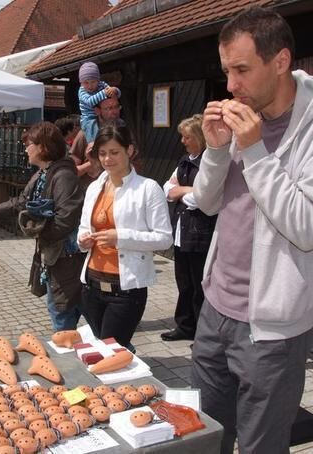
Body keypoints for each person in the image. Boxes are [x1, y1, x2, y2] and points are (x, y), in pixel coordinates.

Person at [191, 7, 313, 454]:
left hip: (273, 329)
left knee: (262, 446)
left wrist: (255, 150)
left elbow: (305, 227)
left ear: (280, 61)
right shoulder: (241, 117)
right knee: (206, 436)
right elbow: (204, 202)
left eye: (242, 70)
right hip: (215, 307)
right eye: (227, 71)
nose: (231, 86)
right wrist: (217, 150)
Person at [0, 122, 84, 332]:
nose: (26, 149)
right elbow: (21, 202)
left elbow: (66, 220)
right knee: (59, 307)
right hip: (55, 255)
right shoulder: (43, 174)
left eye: (29, 144)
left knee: (62, 312)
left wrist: (38, 232)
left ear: (43, 147)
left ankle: (72, 354)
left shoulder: (62, 175)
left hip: (66, 257)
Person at [78, 123, 172, 350]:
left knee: (111, 349)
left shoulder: (148, 188)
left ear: (129, 151)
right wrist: (83, 240)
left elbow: (164, 238)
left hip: (125, 288)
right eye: (102, 154)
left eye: (114, 152)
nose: (107, 159)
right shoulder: (94, 187)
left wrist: (121, 237)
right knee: (102, 348)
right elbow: (83, 227)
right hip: (91, 283)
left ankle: (126, 372)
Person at [160, 115, 216, 342]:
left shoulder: (209, 162)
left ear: (200, 137)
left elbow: (202, 200)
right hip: (182, 231)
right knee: (184, 283)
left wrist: (180, 191)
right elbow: (166, 188)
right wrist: (187, 191)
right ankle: (185, 326)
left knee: (200, 285)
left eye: (187, 137)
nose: (183, 141)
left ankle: (202, 333)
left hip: (200, 233)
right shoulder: (185, 160)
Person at [70, 97, 123, 189]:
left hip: (119, 190)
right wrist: (93, 162)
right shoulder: (85, 134)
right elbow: (71, 171)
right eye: (109, 108)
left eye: (116, 107)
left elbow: (136, 163)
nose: (114, 111)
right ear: (97, 111)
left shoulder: (124, 132)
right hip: (89, 192)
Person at [78, 61, 121, 143]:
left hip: (102, 115)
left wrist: (115, 90)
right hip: (89, 117)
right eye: (86, 83)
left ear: (98, 80)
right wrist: (104, 93)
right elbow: (90, 101)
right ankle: (95, 146)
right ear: (81, 82)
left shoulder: (102, 85)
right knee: (92, 128)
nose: (90, 86)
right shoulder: (82, 91)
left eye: (93, 82)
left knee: (119, 123)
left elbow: (112, 93)